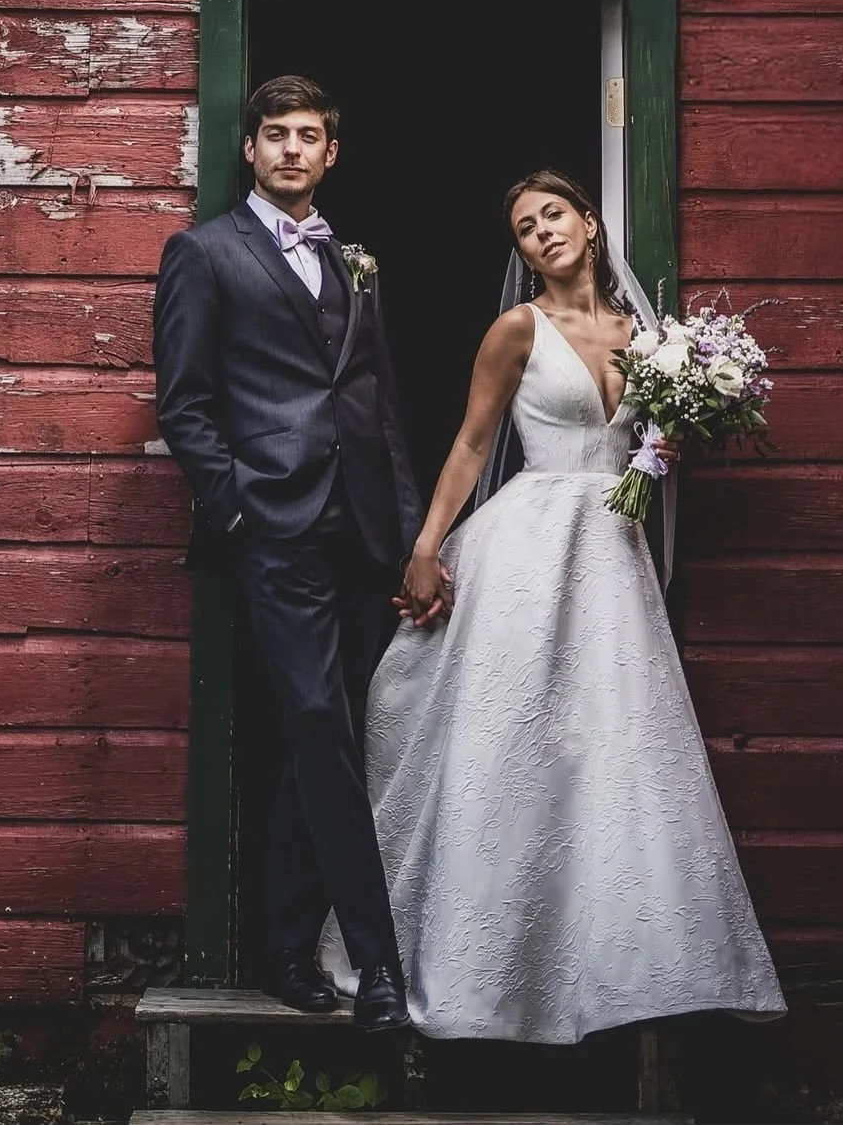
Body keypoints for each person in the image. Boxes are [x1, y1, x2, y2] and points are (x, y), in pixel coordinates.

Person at [319, 169, 787, 1043]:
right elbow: (470, 441)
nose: (542, 233)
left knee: (611, 745)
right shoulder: (515, 328)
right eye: (526, 228)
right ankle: (482, 962)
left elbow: (651, 444)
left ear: (591, 223)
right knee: (513, 737)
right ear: (522, 251)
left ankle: (615, 964)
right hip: (530, 541)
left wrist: (670, 433)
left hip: (614, 556)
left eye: (553, 216)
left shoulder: (649, 338)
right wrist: (426, 547)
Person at [153, 76, 421, 1031]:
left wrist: (410, 534)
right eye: (277, 135)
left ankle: (283, 947)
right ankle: (380, 963)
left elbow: (379, 401)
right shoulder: (203, 253)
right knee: (317, 719)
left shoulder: (353, 259)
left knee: (329, 731)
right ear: (252, 150)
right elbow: (182, 404)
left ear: (331, 152)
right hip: (276, 526)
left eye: (310, 135)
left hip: (361, 529)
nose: (294, 150)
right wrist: (240, 507)